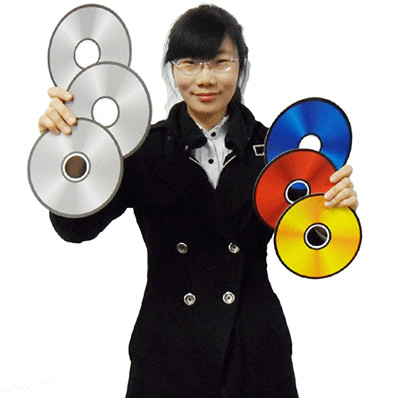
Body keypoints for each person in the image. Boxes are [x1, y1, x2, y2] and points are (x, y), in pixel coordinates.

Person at [38, 5, 358, 398]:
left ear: (241, 68)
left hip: (253, 350)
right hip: (168, 351)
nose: (205, 78)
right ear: (172, 69)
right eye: (190, 63)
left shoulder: (278, 150)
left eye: (221, 62)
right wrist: (69, 149)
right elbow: (75, 228)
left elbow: (312, 243)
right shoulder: (141, 148)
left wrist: (334, 209)